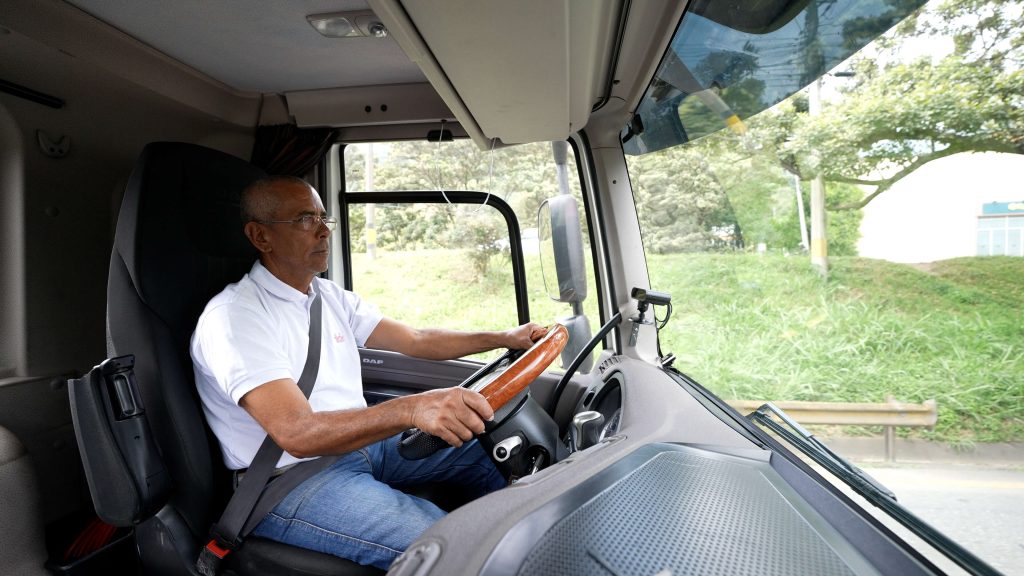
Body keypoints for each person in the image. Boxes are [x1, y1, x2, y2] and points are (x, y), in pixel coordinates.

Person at [190, 175, 545, 570]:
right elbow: (297, 432)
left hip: (360, 448)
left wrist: (504, 337)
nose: (324, 231)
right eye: (305, 219)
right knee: (451, 547)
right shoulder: (235, 318)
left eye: (324, 217)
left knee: (492, 449)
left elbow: (417, 339)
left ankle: (541, 548)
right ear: (261, 236)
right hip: (291, 480)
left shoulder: (326, 296)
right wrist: (413, 409)